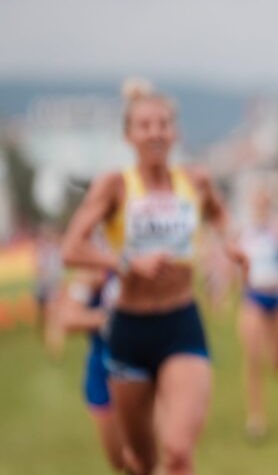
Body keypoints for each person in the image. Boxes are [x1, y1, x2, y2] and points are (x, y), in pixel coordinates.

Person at [61, 80, 247, 475]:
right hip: (128, 329)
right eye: (145, 125)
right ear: (129, 135)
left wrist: (231, 244)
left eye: (163, 124)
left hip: (181, 323)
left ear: (175, 131)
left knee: (178, 452)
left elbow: (219, 216)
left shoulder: (195, 181)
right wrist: (126, 263)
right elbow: (71, 248)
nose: (155, 133)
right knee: (141, 463)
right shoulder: (114, 186)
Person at [236, 179, 278, 439]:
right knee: (253, 357)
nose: (261, 206)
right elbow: (232, 266)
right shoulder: (242, 232)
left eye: (265, 202)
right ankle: (256, 416)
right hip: (253, 297)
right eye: (256, 202)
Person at [55, 270, 127, 471]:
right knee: (120, 461)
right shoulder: (94, 273)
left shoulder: (146, 258)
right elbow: (68, 319)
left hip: (143, 366)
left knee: (149, 456)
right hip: (103, 373)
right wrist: (113, 319)